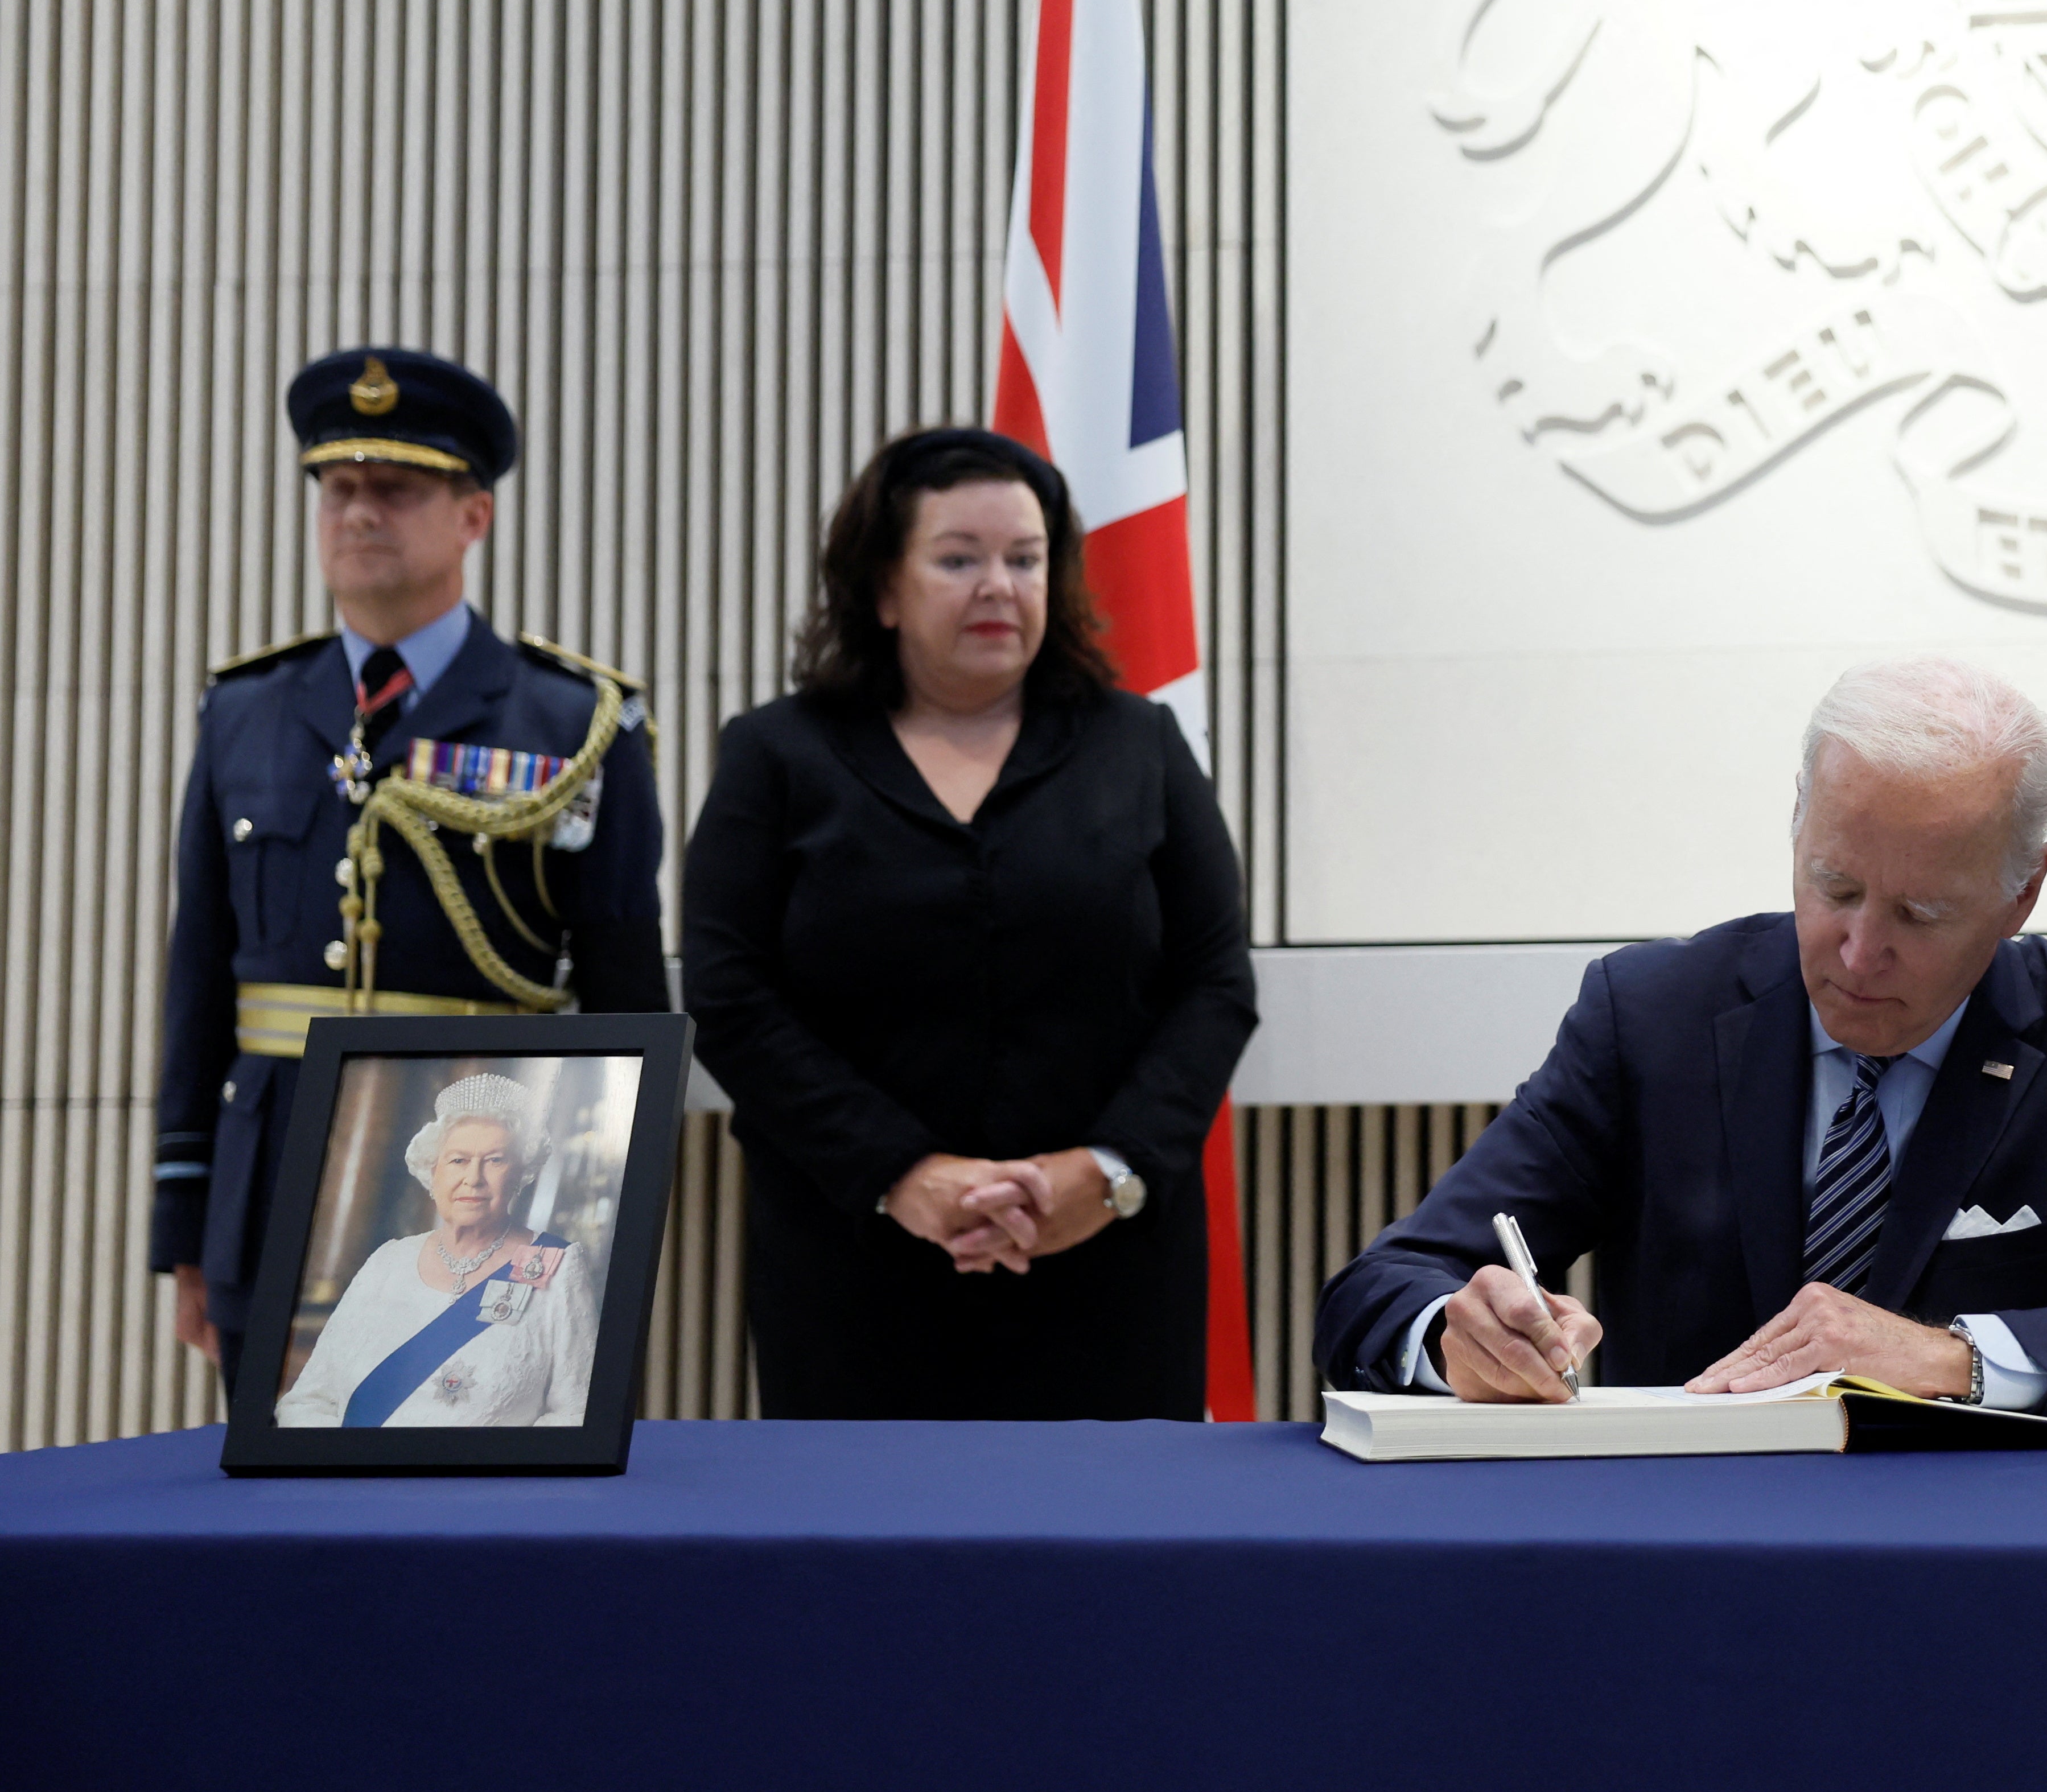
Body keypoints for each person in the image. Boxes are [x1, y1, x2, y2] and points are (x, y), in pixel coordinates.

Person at [1316, 657, 2047, 1436]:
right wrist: (1455, 1331)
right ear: (1797, 829)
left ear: (2023, 894)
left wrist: (1959, 1358)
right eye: (1835, 888)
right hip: (1685, 1562)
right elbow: (1384, 1285)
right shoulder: (1652, 1018)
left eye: (1919, 913)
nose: (1861, 952)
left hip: (1997, 1574)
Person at [681, 427, 1255, 1419]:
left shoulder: (1140, 746)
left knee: (1110, 1558)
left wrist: (1104, 1172)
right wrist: (903, 1173)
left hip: (1105, 1264)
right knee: (867, 1560)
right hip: (854, 1266)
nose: (999, 585)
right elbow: (731, 995)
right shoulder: (778, 755)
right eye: (959, 559)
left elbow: (1214, 983)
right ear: (885, 589)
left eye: (1025, 560)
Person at [151, 348, 669, 1387]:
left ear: (472, 517)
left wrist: (605, 1229)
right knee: (282, 1500)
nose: (358, 514)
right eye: (338, 490)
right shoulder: (247, 712)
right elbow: (200, 976)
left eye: (395, 490)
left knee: (482, 1492)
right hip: (275, 1183)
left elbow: (624, 988)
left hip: (483, 1183)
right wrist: (186, 1219)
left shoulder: (574, 722)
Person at [275, 1074, 601, 1427]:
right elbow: (308, 1400)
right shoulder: (387, 1261)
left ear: (521, 1173)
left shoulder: (556, 1265)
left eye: (495, 1160)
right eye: (458, 1161)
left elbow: (576, 1414)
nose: (473, 1178)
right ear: (434, 1173)